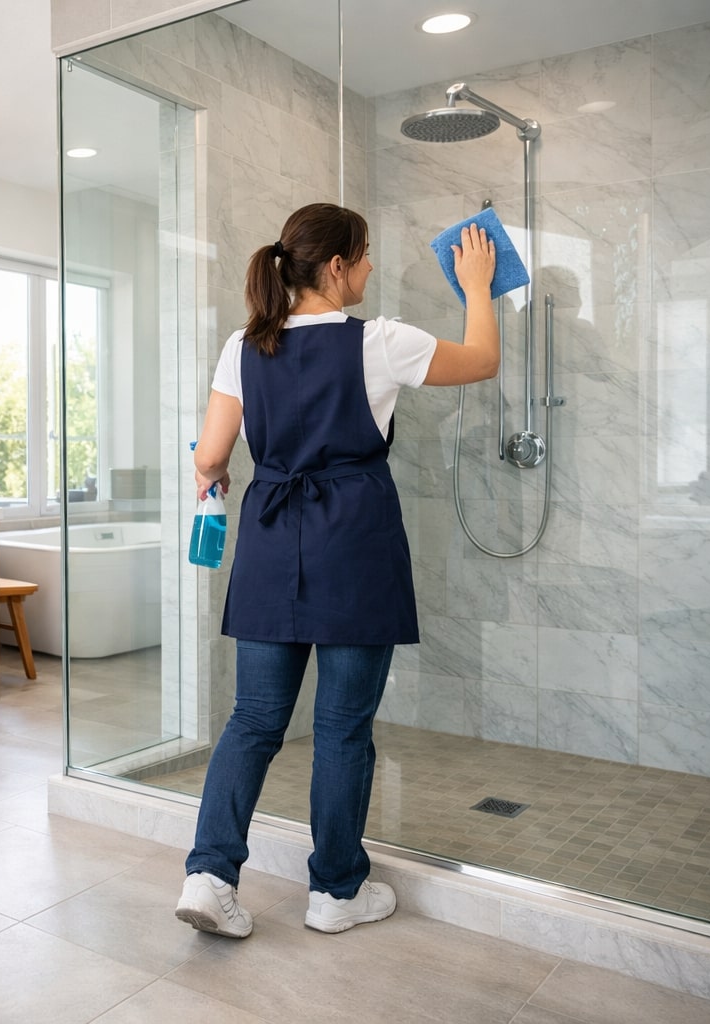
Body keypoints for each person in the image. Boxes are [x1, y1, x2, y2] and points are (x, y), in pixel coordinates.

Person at [175, 203, 500, 938]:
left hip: (268, 542)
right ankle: (335, 893)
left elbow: (209, 456)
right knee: (343, 727)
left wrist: (215, 476)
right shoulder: (379, 342)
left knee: (254, 719)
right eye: (366, 256)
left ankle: (209, 875)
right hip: (352, 542)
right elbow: (481, 360)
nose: (372, 268)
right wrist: (476, 285)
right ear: (336, 267)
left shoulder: (243, 343)